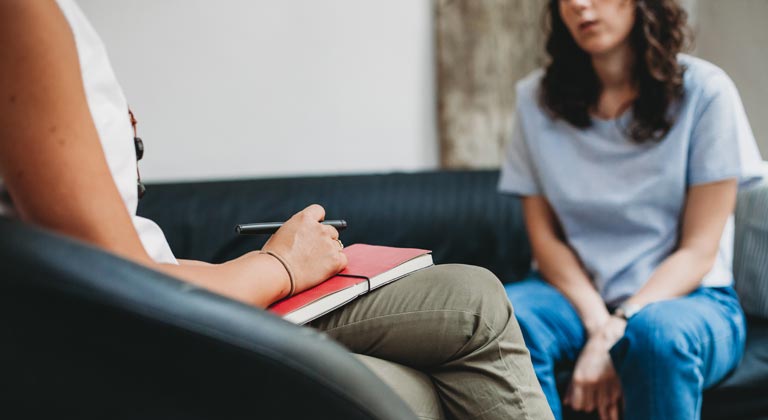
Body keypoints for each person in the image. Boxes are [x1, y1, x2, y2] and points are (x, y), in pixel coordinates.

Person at [0, 1, 555, 419]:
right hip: (146, 336)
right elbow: (113, 284)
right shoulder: (23, 16)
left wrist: (252, 270)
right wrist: (279, 266)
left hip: (168, 298)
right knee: (423, 388)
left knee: (472, 296)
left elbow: (130, 253)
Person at [499, 0, 764, 419]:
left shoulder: (707, 92)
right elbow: (545, 240)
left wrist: (622, 324)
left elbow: (699, 250)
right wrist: (598, 326)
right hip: (571, 296)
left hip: (689, 298)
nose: (579, 5)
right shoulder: (535, 99)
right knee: (499, 320)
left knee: (656, 335)